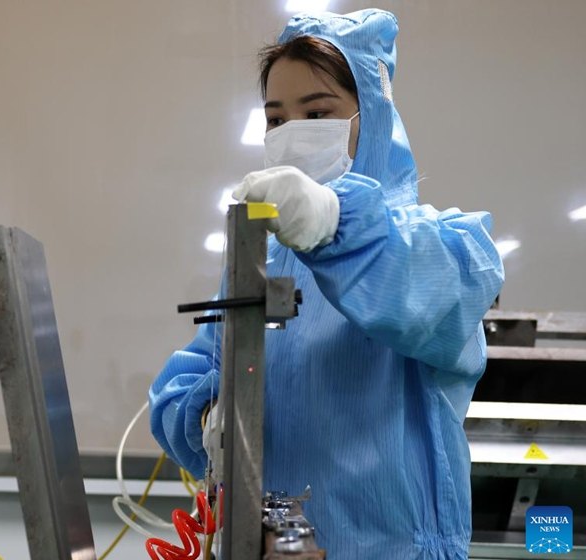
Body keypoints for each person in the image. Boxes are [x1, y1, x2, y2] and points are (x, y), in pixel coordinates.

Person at [148, 9, 504, 559]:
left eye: (317, 113)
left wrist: (334, 222)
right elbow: (196, 374)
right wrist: (206, 415)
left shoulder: (448, 244)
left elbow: (419, 295)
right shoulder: (259, 259)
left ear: (374, 116)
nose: (293, 135)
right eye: (276, 120)